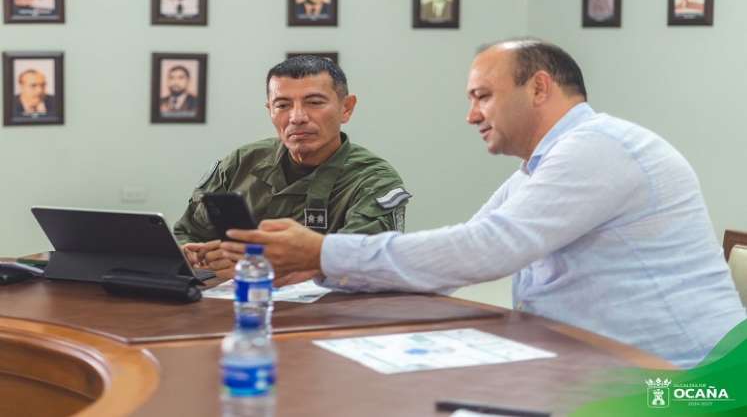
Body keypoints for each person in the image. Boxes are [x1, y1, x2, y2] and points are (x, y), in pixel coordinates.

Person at [224, 39, 746, 368]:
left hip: (688, 381)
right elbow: (457, 256)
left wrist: (322, 253)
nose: (471, 115)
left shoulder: (600, 148)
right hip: (599, 364)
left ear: (539, 88)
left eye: (482, 96)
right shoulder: (542, 166)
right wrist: (318, 273)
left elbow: (486, 251)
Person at [174, 55, 410, 279]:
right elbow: (187, 233)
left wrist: (252, 265)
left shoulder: (373, 180)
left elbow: (362, 264)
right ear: (270, 110)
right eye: (283, 105)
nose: (297, 117)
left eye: (314, 102)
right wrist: (196, 255)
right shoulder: (241, 162)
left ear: (346, 108)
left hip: (327, 316)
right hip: (235, 306)